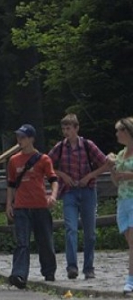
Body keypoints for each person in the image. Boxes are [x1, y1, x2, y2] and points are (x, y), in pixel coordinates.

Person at [48, 114, 109, 280]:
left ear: (76, 128)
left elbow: (106, 163)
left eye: (69, 128)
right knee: (71, 229)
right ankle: (72, 266)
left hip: (88, 191)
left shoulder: (88, 145)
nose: (66, 132)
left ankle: (89, 267)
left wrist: (90, 176)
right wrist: (61, 175)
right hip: (69, 192)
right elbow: (47, 164)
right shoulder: (60, 147)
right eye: (64, 128)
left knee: (90, 233)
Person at [5, 124, 59, 289]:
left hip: (40, 205)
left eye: (23, 137)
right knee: (22, 242)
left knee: (45, 241)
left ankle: (49, 271)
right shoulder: (14, 160)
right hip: (21, 206)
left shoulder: (43, 159)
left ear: (31, 139)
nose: (19, 140)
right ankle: (19, 274)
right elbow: (11, 184)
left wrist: (53, 196)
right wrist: (9, 204)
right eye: (18, 137)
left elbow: (53, 179)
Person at [110, 117, 133, 294]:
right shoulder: (120, 154)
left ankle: (130, 281)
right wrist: (114, 173)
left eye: (119, 130)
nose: (117, 134)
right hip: (122, 201)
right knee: (129, 242)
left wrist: (127, 175)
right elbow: (116, 182)